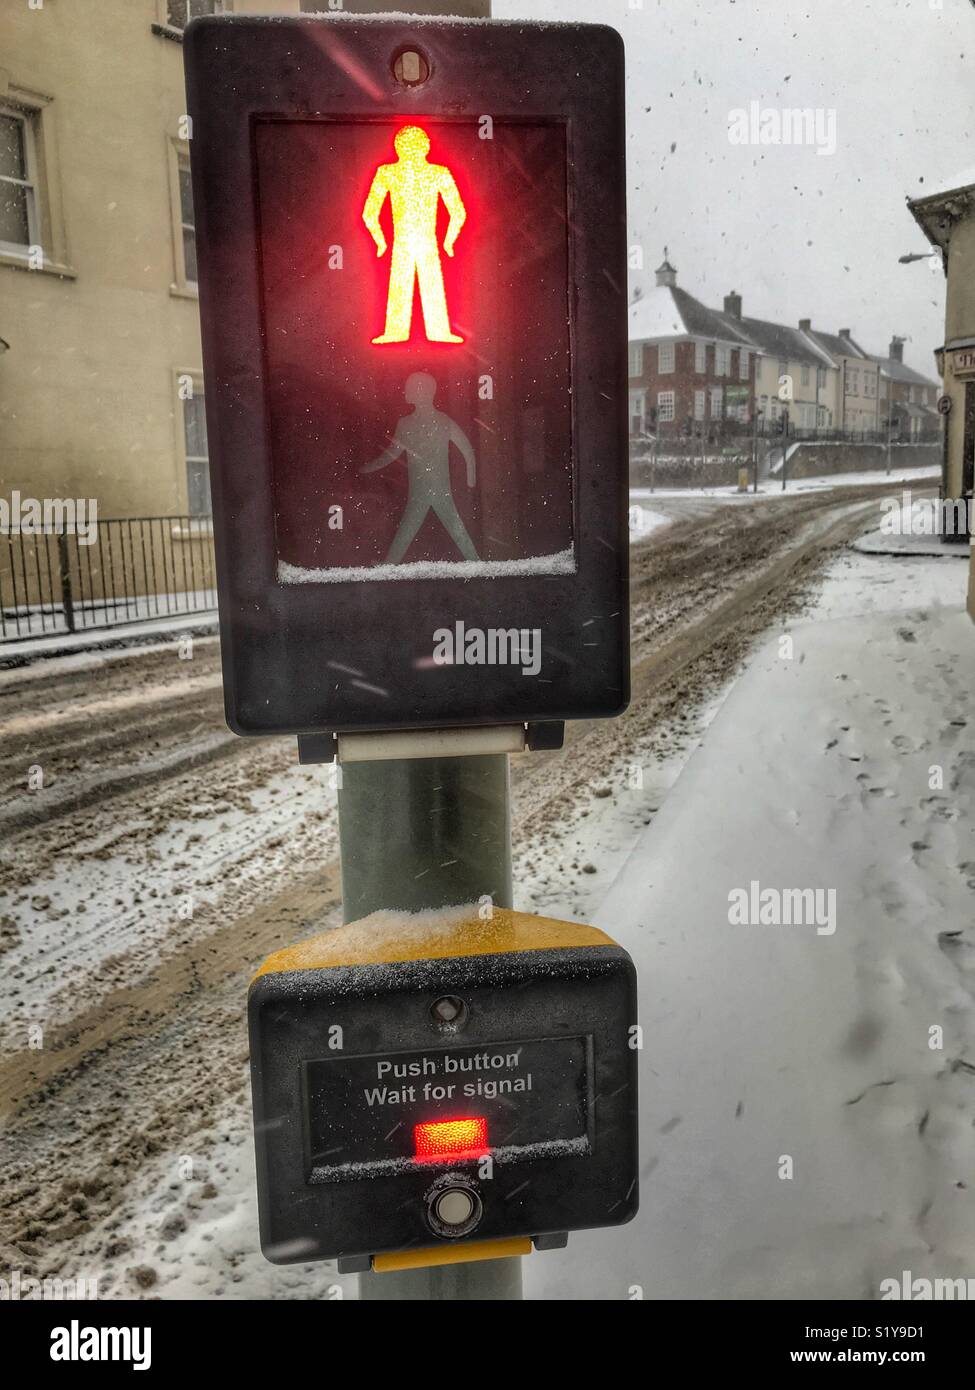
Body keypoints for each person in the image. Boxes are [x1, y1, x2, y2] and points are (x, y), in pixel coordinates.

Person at [362, 125, 466, 344]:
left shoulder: (388, 173)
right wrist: (449, 242)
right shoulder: (437, 173)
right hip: (426, 241)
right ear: (426, 146)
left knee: (404, 283)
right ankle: (435, 331)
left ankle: (399, 331)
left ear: (398, 147)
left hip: (405, 241)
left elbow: (369, 214)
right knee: (431, 283)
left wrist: (381, 241)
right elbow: (458, 212)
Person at [361, 373, 478, 563]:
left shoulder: (425, 423)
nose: (405, 391)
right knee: (448, 528)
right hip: (432, 490)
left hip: (428, 490)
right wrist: (470, 477)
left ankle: (388, 566)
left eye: (409, 387)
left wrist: (369, 467)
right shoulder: (432, 422)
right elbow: (468, 451)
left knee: (420, 529)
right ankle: (476, 564)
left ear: (421, 392)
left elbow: (391, 455)